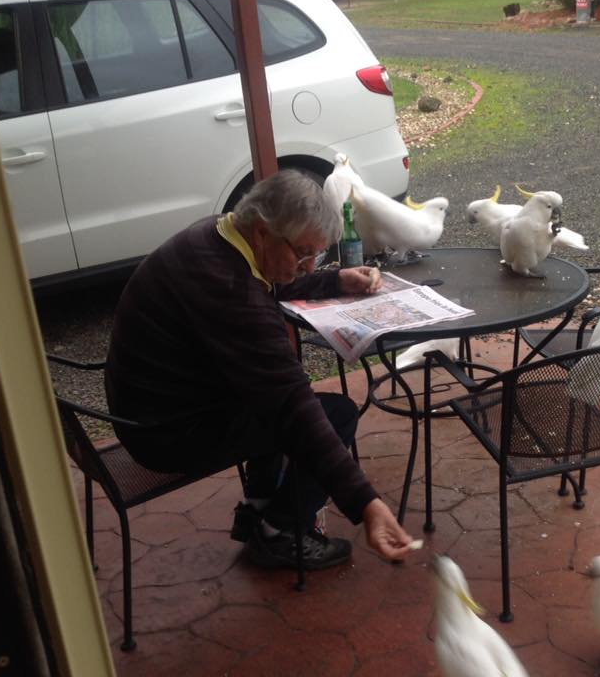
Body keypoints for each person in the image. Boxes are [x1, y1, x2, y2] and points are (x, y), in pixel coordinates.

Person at [105, 169, 414, 569]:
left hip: (153, 404)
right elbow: (293, 405)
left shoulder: (218, 238)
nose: (307, 266)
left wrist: (332, 279)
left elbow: (267, 279)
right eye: (303, 253)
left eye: (315, 256)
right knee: (330, 415)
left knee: (274, 400)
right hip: (166, 434)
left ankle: (259, 507)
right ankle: (280, 531)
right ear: (262, 232)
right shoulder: (233, 293)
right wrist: (366, 504)